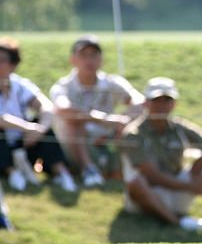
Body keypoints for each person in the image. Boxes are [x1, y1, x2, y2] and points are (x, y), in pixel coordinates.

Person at [118, 77, 202, 237]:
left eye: (167, 100)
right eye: (156, 100)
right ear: (146, 103)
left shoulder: (179, 127)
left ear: (174, 104)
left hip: (178, 187)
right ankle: (178, 223)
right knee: (136, 182)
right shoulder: (133, 134)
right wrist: (190, 187)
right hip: (151, 193)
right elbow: (152, 175)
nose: (161, 105)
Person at [50, 35, 144, 188]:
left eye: (94, 55)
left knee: (135, 125)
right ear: (73, 60)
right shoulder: (63, 86)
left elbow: (140, 102)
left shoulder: (112, 82)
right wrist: (102, 119)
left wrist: (124, 121)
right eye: (83, 55)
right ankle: (89, 170)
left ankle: (121, 168)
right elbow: (63, 109)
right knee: (73, 122)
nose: (89, 60)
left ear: (101, 59)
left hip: (108, 139)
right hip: (74, 145)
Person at [0, 37, 78, 193]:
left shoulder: (20, 85)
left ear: (13, 65)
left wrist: (39, 130)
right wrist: (28, 128)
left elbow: (47, 107)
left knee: (46, 129)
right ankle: (12, 173)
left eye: (2, 60)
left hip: (25, 143)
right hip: (4, 144)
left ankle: (60, 172)